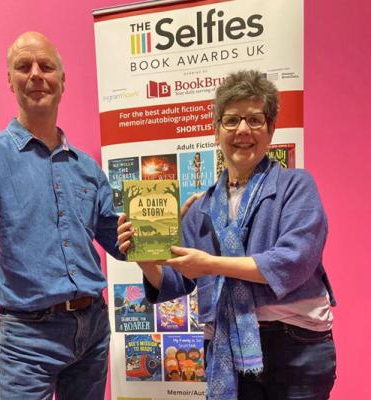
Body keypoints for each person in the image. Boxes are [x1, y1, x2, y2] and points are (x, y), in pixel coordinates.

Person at [0, 32, 124, 400]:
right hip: (28, 339)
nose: (36, 74)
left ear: (62, 81)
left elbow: (118, 240)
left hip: (94, 329)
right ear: (10, 80)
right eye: (24, 66)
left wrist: (160, 229)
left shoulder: (87, 169)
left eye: (46, 66)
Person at [118, 70, 337, 399]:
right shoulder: (200, 207)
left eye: (254, 119)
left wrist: (211, 265)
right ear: (216, 129)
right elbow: (177, 282)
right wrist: (147, 260)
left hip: (296, 344)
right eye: (232, 120)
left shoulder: (296, 186)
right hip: (225, 344)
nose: (243, 131)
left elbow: (294, 261)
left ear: (272, 128)